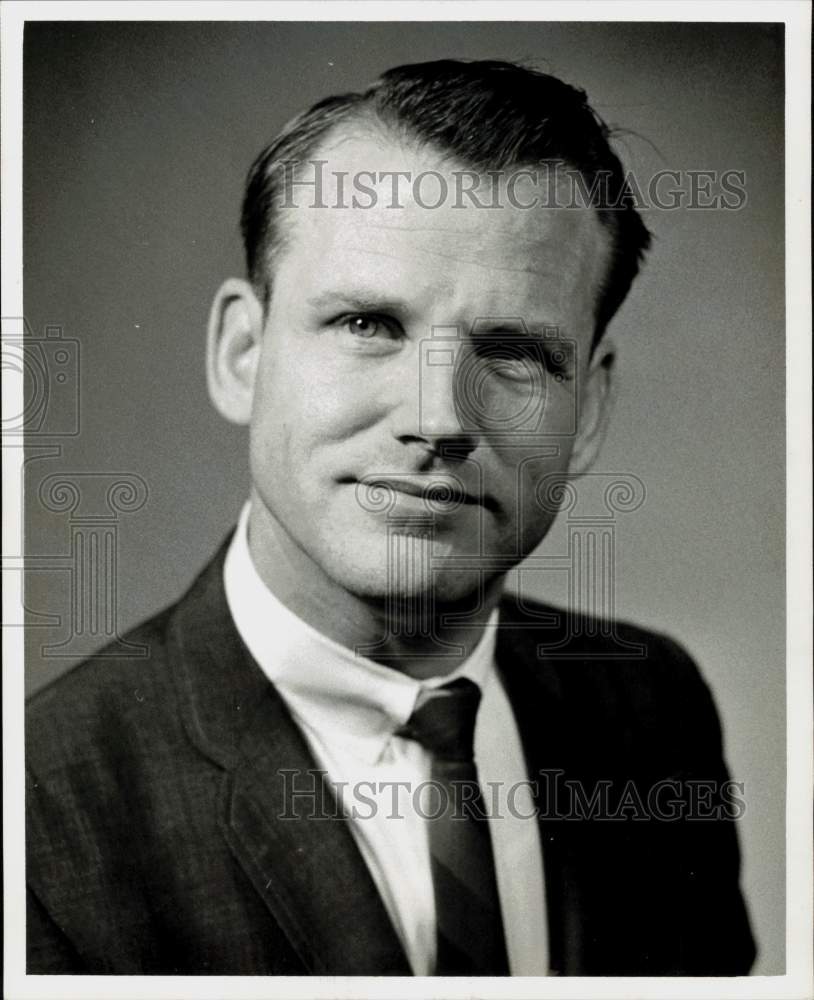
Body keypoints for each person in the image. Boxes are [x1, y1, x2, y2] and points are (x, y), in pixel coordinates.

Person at [26, 59, 756, 977]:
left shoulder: (653, 709)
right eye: (369, 325)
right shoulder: (42, 825)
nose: (442, 420)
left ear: (591, 410)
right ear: (242, 355)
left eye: (516, 351)